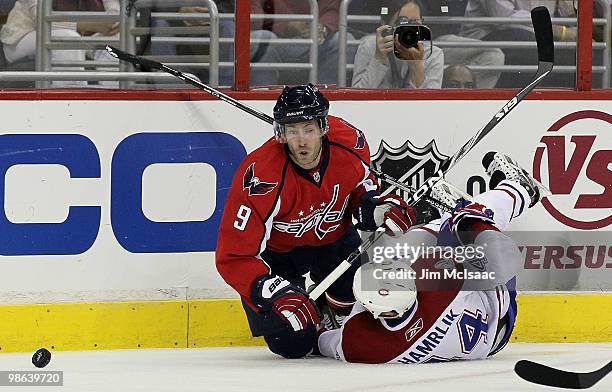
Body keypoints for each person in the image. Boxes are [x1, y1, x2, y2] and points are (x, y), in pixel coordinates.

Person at [215, 84, 416, 359]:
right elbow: (233, 256)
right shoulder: (260, 176)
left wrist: (378, 210)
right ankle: (312, 321)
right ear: (280, 133)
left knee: (352, 303)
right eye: (292, 131)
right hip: (278, 257)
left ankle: (328, 304)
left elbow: (359, 193)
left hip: (333, 242)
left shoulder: (350, 143)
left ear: (323, 127)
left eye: (308, 129)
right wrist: (272, 290)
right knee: (292, 343)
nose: (301, 141)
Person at [317, 151, 545, 363]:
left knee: (414, 242)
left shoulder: (357, 345)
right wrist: (463, 218)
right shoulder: (440, 283)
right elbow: (504, 260)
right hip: (497, 310)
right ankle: (518, 189)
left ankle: (448, 215)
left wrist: (309, 327)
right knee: (464, 228)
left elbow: (321, 341)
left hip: (486, 343)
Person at [459, 0, 580, 88]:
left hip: (537, 38)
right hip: (486, 39)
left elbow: (568, 13)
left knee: (579, 56)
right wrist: (560, 31)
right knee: (525, 41)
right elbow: (504, 19)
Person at [0, 0, 119, 86]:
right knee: (67, 38)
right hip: (23, 38)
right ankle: (70, 99)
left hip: (81, 37)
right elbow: (41, 21)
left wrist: (112, 23)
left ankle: (112, 93)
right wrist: (91, 25)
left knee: (116, 38)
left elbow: (116, 13)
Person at [352, 0, 444, 89]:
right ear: (385, 25)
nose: (410, 29)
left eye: (415, 22)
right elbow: (355, 98)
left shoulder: (433, 54)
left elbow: (430, 103)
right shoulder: (369, 46)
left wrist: (417, 68)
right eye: (403, 22)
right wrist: (379, 60)